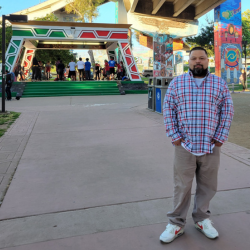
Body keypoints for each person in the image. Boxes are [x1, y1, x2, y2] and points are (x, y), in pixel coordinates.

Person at [160, 47, 234, 243]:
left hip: (210, 144)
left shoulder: (219, 84)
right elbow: (168, 109)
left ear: (208, 61)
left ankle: (202, 219)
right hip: (184, 145)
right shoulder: (178, 83)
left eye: (202, 58)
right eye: (194, 58)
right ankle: (176, 223)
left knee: (208, 185)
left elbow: (227, 111)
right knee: (182, 185)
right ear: (189, 61)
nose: (197, 61)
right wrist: (174, 135)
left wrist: (221, 136)